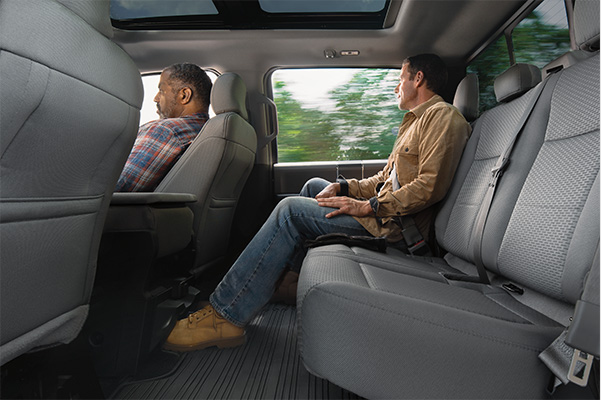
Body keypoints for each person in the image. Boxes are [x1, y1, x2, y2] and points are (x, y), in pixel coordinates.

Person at [163, 54, 472, 352]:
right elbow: (384, 180)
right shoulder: (414, 123)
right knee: (314, 186)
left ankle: (226, 316)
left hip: (397, 230)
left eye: (400, 78)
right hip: (385, 216)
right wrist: (344, 187)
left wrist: (369, 207)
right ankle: (282, 282)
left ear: (418, 79)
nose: (396, 87)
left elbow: (429, 187)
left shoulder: (443, 118)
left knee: (289, 212)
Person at [115, 63, 212, 192]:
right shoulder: (207, 130)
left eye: (161, 91)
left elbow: (120, 188)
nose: (156, 98)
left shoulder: (166, 131)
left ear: (184, 95)